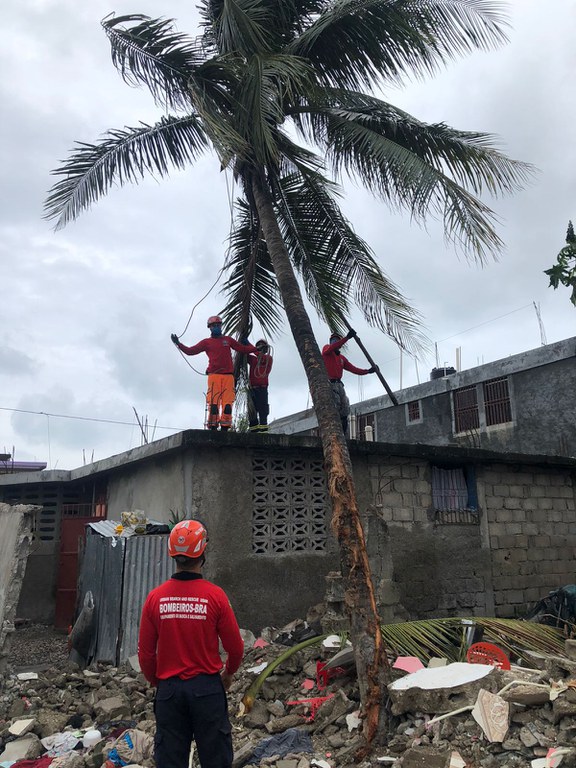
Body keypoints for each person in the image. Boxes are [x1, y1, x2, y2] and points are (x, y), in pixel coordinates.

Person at [138, 519, 244, 768]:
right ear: (203, 552)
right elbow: (236, 648)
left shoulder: (155, 598)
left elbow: (145, 653)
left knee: (171, 760)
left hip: (169, 692)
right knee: (215, 759)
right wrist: (228, 673)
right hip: (207, 690)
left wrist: (160, 683)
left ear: (172, 554)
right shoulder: (215, 596)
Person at [171, 316, 258, 431]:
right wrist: (178, 344)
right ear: (210, 328)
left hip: (228, 377)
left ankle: (225, 428)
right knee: (213, 405)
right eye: (213, 326)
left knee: (227, 406)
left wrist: (255, 348)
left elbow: (242, 349)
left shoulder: (228, 340)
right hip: (214, 376)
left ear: (221, 326)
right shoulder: (206, 342)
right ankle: (212, 427)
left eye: (218, 325)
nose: (216, 327)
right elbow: (190, 351)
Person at [321, 329, 377, 434]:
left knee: (345, 408)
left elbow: (354, 369)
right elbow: (331, 348)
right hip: (330, 384)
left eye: (336, 341)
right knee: (335, 406)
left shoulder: (342, 358)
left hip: (339, 384)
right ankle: (334, 431)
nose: (334, 343)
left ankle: (343, 433)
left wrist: (368, 371)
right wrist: (347, 338)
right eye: (333, 340)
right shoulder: (326, 350)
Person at [246, 338, 273, 433]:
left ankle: (263, 431)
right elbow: (245, 354)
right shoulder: (253, 359)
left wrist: (251, 346)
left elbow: (260, 356)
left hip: (262, 388)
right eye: (259, 346)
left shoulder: (268, 359)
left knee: (263, 410)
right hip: (252, 389)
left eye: (262, 346)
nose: (260, 348)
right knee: (252, 411)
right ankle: (254, 430)